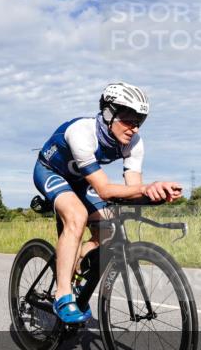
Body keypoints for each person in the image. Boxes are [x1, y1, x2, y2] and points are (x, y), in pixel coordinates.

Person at [33, 82, 182, 323]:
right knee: (77, 216)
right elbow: (103, 190)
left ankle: (76, 270)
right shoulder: (82, 133)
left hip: (81, 181)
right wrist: (145, 188)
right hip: (51, 172)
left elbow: (132, 188)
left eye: (139, 121)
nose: (134, 128)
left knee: (108, 229)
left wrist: (156, 193)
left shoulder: (134, 142)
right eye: (129, 120)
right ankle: (63, 294)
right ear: (108, 113)